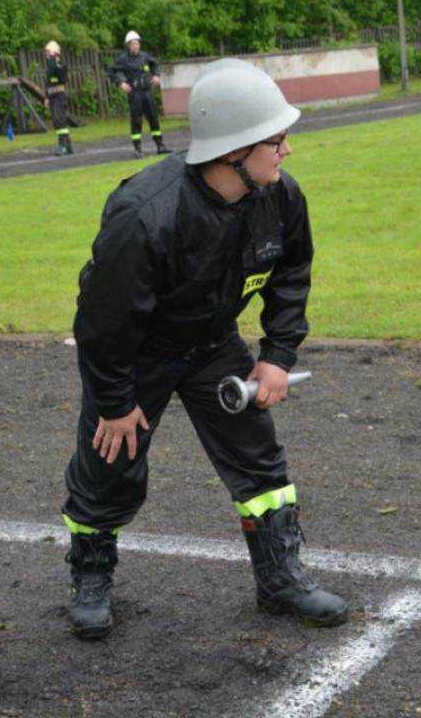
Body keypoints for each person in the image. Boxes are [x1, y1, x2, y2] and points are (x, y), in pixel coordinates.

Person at [61, 58, 348, 640]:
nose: (287, 150)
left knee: (259, 459)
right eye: (277, 139)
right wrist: (115, 402)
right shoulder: (145, 214)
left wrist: (277, 355)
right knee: (110, 465)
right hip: (138, 353)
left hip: (213, 345)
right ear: (236, 150)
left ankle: (280, 580)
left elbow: (291, 272)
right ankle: (91, 577)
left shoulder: (280, 196)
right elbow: (102, 322)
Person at [106, 30, 171, 158]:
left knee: (153, 118)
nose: (135, 46)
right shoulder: (123, 59)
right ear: (128, 45)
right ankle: (138, 148)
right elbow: (110, 71)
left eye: (137, 43)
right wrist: (120, 83)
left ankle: (160, 145)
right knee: (136, 120)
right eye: (133, 44)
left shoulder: (145, 56)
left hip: (147, 92)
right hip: (135, 94)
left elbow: (154, 64)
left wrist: (156, 75)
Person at [43, 41, 73, 156]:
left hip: (60, 95)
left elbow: (62, 77)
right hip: (52, 96)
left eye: (49, 52)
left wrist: (54, 61)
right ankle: (67, 144)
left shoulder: (61, 65)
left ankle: (63, 144)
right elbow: (48, 83)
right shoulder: (50, 66)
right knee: (56, 121)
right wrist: (47, 97)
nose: (47, 55)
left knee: (59, 119)